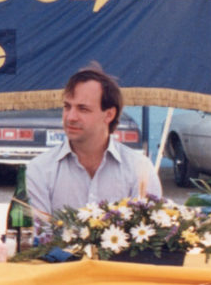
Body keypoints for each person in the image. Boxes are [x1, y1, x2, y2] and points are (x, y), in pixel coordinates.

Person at [26, 65, 161, 216]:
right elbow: (39, 235)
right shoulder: (40, 168)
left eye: (83, 109)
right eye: (67, 107)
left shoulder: (139, 168)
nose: (71, 117)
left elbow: (148, 231)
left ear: (109, 115)